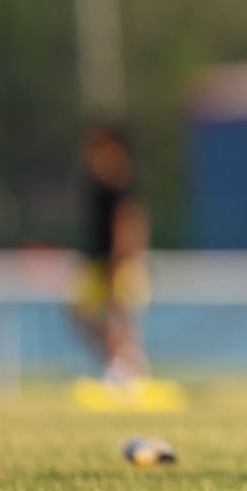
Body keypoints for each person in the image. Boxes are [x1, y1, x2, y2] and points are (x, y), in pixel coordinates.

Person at [71, 121, 152, 386]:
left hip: (118, 261)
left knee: (119, 317)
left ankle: (124, 369)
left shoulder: (120, 185)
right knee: (83, 315)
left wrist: (119, 261)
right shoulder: (96, 184)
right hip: (96, 261)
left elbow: (129, 225)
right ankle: (121, 362)